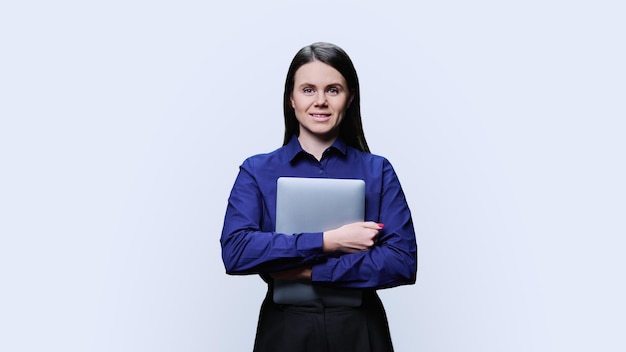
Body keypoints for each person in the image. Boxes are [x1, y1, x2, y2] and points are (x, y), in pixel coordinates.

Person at [220, 42, 417, 352]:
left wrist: (313, 272)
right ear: (291, 99)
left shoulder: (377, 170)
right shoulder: (257, 170)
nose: (320, 101)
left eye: (333, 90)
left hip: (359, 329)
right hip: (284, 329)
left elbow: (401, 262)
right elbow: (237, 251)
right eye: (308, 90)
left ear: (349, 97)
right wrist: (328, 241)